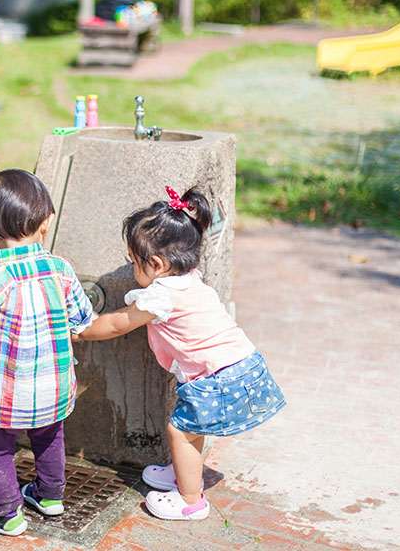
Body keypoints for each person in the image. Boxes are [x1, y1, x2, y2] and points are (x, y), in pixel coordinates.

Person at [75, 185, 285, 521]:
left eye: (134, 262)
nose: (131, 270)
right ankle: (182, 472)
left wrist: (82, 331)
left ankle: (190, 500)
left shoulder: (160, 296)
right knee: (190, 426)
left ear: (156, 264)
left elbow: (117, 324)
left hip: (221, 376)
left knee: (181, 430)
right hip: (239, 363)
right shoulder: (188, 279)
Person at [0, 169, 93, 536]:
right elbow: (81, 322)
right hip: (52, 387)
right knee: (50, 439)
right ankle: (49, 496)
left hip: (1, 393)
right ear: (45, 223)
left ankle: (5, 513)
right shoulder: (59, 268)